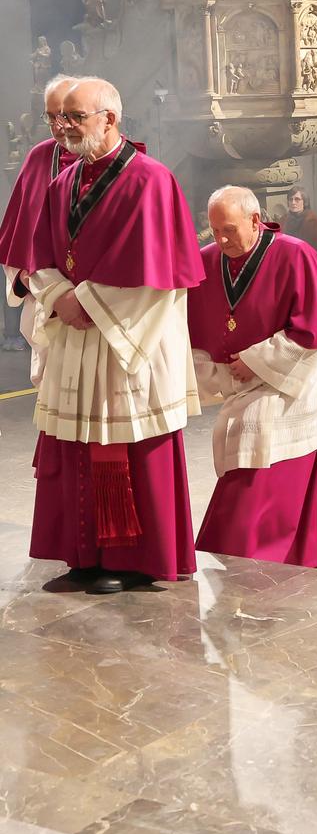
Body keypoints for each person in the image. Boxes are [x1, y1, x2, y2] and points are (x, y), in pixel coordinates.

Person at [27, 77, 203, 594]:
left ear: (110, 118)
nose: (65, 127)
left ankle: (130, 559)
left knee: (123, 447)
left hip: (129, 341)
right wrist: (57, 295)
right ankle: (82, 554)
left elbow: (157, 273)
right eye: (60, 118)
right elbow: (39, 257)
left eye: (77, 117)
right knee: (76, 445)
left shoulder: (151, 179)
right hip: (78, 331)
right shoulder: (62, 184)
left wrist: (86, 303)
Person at [190, 186, 317, 567]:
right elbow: (193, 327)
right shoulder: (207, 260)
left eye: (229, 229)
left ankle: (249, 553)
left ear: (255, 221)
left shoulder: (296, 255)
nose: (222, 240)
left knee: (258, 454)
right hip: (240, 381)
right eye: (215, 231)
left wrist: (257, 361)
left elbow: (315, 333)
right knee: (241, 441)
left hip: (289, 385)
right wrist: (224, 370)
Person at [0, 73, 78, 375]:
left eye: (65, 116)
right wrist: (24, 278)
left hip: (99, 309)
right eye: (50, 118)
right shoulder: (39, 157)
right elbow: (16, 234)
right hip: (47, 301)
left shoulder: (119, 164)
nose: (57, 127)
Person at [282, 185, 317, 254]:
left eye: (297, 199)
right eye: (291, 199)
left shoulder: (313, 221)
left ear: (305, 202)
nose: (293, 203)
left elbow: (312, 249)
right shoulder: (284, 220)